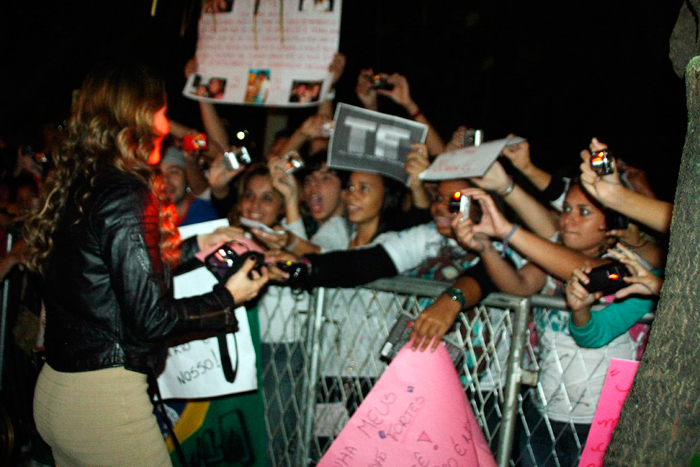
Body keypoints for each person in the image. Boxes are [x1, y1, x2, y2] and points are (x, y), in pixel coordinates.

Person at [23, 63, 269, 466]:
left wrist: (196, 245)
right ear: (140, 114)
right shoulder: (126, 192)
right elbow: (151, 320)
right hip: (103, 403)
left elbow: (110, 269)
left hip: (58, 390)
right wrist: (228, 298)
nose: (165, 122)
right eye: (161, 110)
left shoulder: (81, 181)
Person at [160, 146, 218, 226]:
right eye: (158, 174)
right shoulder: (149, 220)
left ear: (186, 176)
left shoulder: (206, 214)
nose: (165, 180)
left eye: (174, 172)